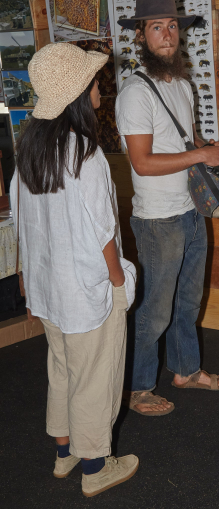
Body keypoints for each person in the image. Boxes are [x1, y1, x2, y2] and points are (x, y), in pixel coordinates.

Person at [10, 43, 138, 497]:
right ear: (79, 92)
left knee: (62, 368)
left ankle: (64, 454)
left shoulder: (28, 149)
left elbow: (23, 223)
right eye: (93, 79)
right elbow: (104, 230)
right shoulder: (84, 153)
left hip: (48, 289)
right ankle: (94, 468)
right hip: (86, 288)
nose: (100, 83)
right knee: (95, 376)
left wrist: (26, 279)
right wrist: (119, 281)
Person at [115, 0, 219, 416]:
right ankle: (138, 386)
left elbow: (187, 141)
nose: (167, 35)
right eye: (156, 28)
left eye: (171, 26)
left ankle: (185, 369)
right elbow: (143, 163)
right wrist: (199, 156)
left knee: (188, 300)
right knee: (155, 309)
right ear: (142, 37)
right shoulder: (134, 94)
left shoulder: (183, 85)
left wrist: (210, 148)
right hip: (156, 219)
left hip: (190, 210)